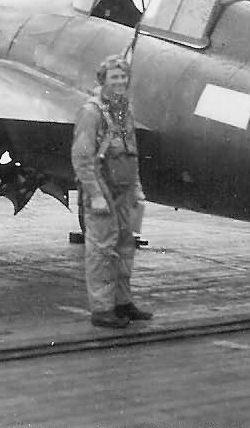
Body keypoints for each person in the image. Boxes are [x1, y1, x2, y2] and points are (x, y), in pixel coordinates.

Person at [71, 54, 152, 329]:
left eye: (123, 77)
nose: (120, 82)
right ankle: (102, 309)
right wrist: (94, 194)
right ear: (103, 80)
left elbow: (132, 153)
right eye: (114, 77)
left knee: (126, 246)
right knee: (102, 249)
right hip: (102, 187)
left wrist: (137, 187)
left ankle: (123, 302)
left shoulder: (124, 110)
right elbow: (82, 157)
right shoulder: (91, 112)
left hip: (125, 188)